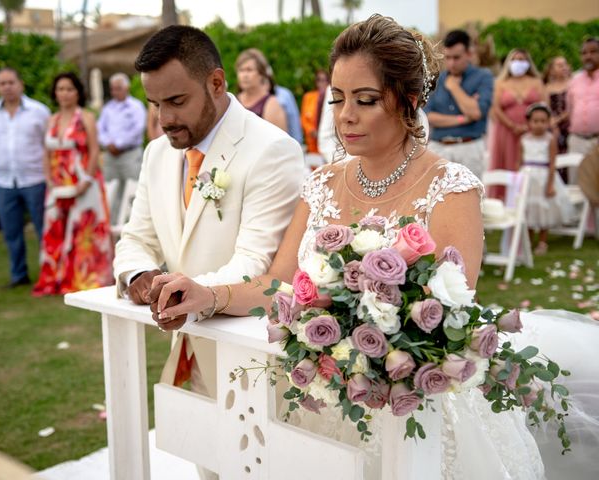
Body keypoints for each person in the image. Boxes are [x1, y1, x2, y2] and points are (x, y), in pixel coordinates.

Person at [148, 15, 554, 479]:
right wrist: (210, 294)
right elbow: (277, 282)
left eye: (365, 100)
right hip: (320, 400)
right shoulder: (320, 183)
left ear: (410, 101)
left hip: (413, 404)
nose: (345, 115)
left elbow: (449, 316)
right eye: (338, 99)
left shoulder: (451, 188)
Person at [114, 26, 303, 478]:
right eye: (155, 104)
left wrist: (190, 295)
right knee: (207, 465)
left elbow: (256, 262)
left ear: (216, 83)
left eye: (176, 102)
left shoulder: (271, 149)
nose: (164, 118)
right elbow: (135, 238)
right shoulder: (158, 153)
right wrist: (140, 277)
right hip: (188, 350)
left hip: (254, 356)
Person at [33, 72, 114, 296]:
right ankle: (56, 277)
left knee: (84, 231)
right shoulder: (51, 120)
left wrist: (86, 180)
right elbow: (47, 153)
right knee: (55, 229)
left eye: (69, 89)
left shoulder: (86, 117)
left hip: (84, 184)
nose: (65, 93)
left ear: (78, 92)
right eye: (60, 89)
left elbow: (95, 149)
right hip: (57, 186)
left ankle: (85, 277)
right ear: (55, 93)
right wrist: (48, 179)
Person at [0, 67, 50, 288]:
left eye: (11, 82)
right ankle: (19, 275)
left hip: (35, 179)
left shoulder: (39, 111)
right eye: (2, 83)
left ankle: (48, 274)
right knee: (11, 233)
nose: (7, 87)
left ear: (21, 84)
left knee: (44, 230)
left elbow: (47, 145)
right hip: (4, 182)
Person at [425, 29, 494, 179]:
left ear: (469, 54)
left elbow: (476, 112)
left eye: (456, 57)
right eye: (447, 57)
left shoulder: (483, 77)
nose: (451, 63)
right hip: (438, 148)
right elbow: (428, 116)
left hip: (469, 148)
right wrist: (462, 119)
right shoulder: (437, 79)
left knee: (470, 199)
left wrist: (454, 87)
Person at [489, 49, 546, 197]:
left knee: (529, 162)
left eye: (522, 59)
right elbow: (496, 108)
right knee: (507, 163)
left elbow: (544, 105)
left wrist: (530, 126)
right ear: (509, 62)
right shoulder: (501, 82)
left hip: (533, 131)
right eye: (515, 59)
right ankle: (506, 199)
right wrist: (512, 126)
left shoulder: (537, 82)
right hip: (507, 131)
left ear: (528, 63)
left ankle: (530, 199)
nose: (518, 63)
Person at [519, 103, 573, 255]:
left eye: (543, 121)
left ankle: (543, 240)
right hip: (527, 178)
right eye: (535, 121)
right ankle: (528, 239)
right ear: (529, 122)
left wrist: (550, 184)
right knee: (528, 208)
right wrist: (517, 180)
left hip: (544, 177)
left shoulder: (549, 139)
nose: (539, 125)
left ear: (548, 122)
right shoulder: (523, 139)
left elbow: (552, 163)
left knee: (544, 208)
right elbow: (519, 161)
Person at [97, 72, 147, 224]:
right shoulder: (108, 108)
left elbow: (138, 128)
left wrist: (118, 145)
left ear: (127, 88)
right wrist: (108, 144)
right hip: (111, 157)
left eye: (118, 88)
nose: (115, 92)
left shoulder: (136, 106)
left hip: (129, 154)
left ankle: (135, 223)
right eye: (113, 89)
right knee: (111, 191)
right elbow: (100, 129)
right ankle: (113, 227)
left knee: (134, 190)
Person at [234, 48, 288, 132]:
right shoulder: (233, 100)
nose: (244, 75)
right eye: (241, 70)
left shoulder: (271, 103)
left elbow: (279, 142)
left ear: (261, 74)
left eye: (249, 70)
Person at [567, 37, 599, 158]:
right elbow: (570, 109)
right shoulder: (575, 80)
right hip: (577, 141)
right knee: (576, 176)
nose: (588, 56)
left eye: (593, 52)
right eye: (584, 53)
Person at [543, 56, 572, 154]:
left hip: (569, 125)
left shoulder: (572, 84)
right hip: (553, 127)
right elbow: (546, 108)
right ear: (552, 70)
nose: (563, 67)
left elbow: (572, 107)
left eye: (565, 65)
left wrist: (559, 119)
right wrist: (553, 124)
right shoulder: (548, 88)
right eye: (559, 65)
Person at [301, 69, 330, 153]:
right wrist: (311, 130)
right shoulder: (309, 97)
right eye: (319, 80)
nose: (321, 83)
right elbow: (303, 119)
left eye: (324, 80)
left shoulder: (331, 97)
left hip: (327, 140)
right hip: (312, 141)